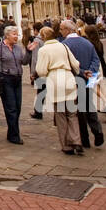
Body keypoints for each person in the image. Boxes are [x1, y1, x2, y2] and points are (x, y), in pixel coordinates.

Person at [34, 25, 83, 155]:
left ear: (43, 37)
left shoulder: (44, 50)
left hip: (55, 80)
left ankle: (67, 145)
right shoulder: (63, 46)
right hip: (68, 78)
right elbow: (76, 64)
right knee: (72, 113)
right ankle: (76, 140)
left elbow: (41, 70)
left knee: (60, 114)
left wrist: (45, 76)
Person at [62, 20, 104, 148]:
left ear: (67, 30)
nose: (60, 31)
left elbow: (68, 64)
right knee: (89, 105)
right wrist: (90, 72)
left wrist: (81, 72)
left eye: (62, 29)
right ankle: (97, 131)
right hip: (89, 79)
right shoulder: (87, 43)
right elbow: (96, 60)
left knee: (78, 110)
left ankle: (84, 138)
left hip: (74, 79)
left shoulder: (64, 45)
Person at [0, 25, 30, 144]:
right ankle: (14, 135)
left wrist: (29, 51)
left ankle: (11, 132)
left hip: (17, 79)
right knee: (11, 107)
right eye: (14, 34)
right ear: (7, 35)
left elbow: (24, 62)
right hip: (5, 79)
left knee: (18, 106)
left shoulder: (17, 48)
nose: (16, 37)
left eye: (17, 34)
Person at [26, 22, 47, 119]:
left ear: (36, 30)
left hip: (40, 69)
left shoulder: (36, 40)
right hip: (48, 68)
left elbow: (35, 57)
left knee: (41, 91)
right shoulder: (47, 38)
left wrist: (33, 72)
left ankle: (38, 112)